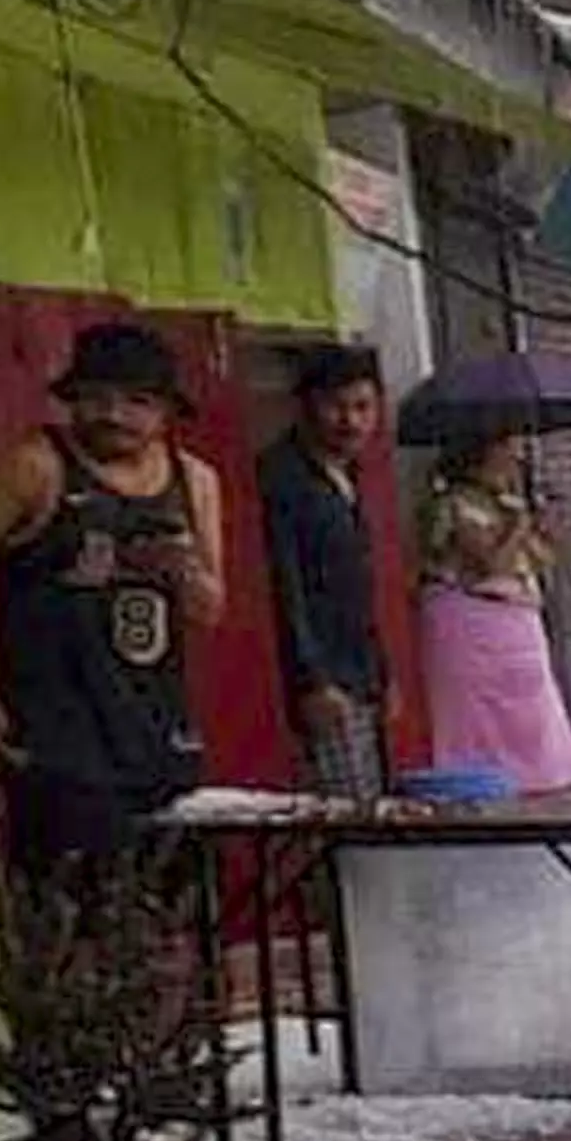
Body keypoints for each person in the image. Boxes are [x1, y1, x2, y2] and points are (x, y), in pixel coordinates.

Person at [0, 321, 223, 873]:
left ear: (165, 412)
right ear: (72, 400)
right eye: (97, 397)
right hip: (58, 734)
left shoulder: (194, 480)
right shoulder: (36, 467)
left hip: (159, 731)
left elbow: (211, 607)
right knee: (69, 904)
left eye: (137, 401)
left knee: (168, 907)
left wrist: (183, 571)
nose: (114, 414)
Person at [414, 434, 571, 794]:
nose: (516, 455)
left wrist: (547, 532)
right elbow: (491, 564)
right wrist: (519, 524)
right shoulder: (454, 504)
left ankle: (541, 778)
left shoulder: (506, 504)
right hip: (471, 620)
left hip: (516, 620)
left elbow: (539, 560)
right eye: (507, 445)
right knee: (477, 719)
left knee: (533, 708)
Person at [261, 343, 391, 800]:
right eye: (336, 406)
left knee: (371, 802)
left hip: (361, 673)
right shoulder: (282, 479)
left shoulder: (352, 476)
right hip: (324, 678)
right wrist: (312, 679)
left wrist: (382, 674)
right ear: (306, 406)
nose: (351, 421)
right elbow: (285, 584)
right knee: (342, 810)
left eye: (363, 407)